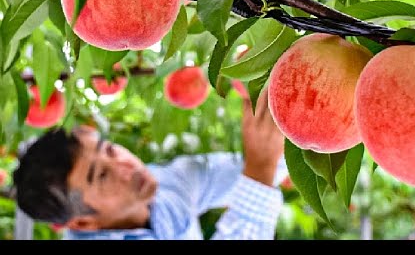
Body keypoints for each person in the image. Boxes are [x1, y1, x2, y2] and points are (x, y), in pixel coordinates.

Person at [12, 89, 288, 240]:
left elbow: (267, 161)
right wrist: (260, 169)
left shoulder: (166, 183)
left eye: (109, 149)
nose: (125, 165)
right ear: (84, 222)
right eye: (103, 175)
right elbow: (260, 166)